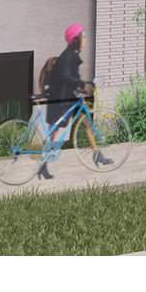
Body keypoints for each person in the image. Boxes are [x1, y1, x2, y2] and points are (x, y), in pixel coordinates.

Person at [40, 24, 105, 179]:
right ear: (75, 40)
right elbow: (65, 76)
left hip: (70, 97)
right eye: (83, 37)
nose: (84, 39)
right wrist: (81, 83)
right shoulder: (67, 57)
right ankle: (42, 166)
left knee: (87, 123)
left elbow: (71, 77)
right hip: (60, 98)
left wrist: (81, 85)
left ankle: (97, 155)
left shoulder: (72, 55)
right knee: (53, 132)